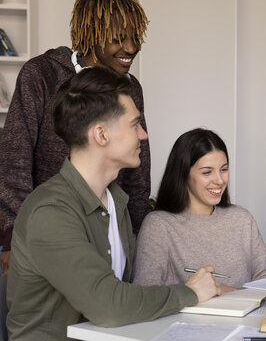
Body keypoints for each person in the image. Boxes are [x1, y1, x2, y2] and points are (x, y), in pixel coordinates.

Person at [7, 67, 220, 341]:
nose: (143, 135)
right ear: (101, 135)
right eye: (135, 125)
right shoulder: (50, 212)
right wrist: (190, 293)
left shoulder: (115, 201)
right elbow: (109, 305)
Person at [0, 0, 152, 275]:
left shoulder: (131, 88)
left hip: (110, 234)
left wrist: (138, 237)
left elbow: (138, 173)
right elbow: (14, 160)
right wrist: (12, 237)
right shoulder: (42, 74)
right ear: (92, 34)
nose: (131, 48)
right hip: (48, 232)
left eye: (135, 37)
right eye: (119, 38)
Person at [133, 128, 266, 290]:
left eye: (224, 169)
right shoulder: (159, 225)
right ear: (183, 174)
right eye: (207, 172)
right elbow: (145, 293)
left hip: (249, 315)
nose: (220, 180)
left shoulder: (242, 219)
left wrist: (224, 290)